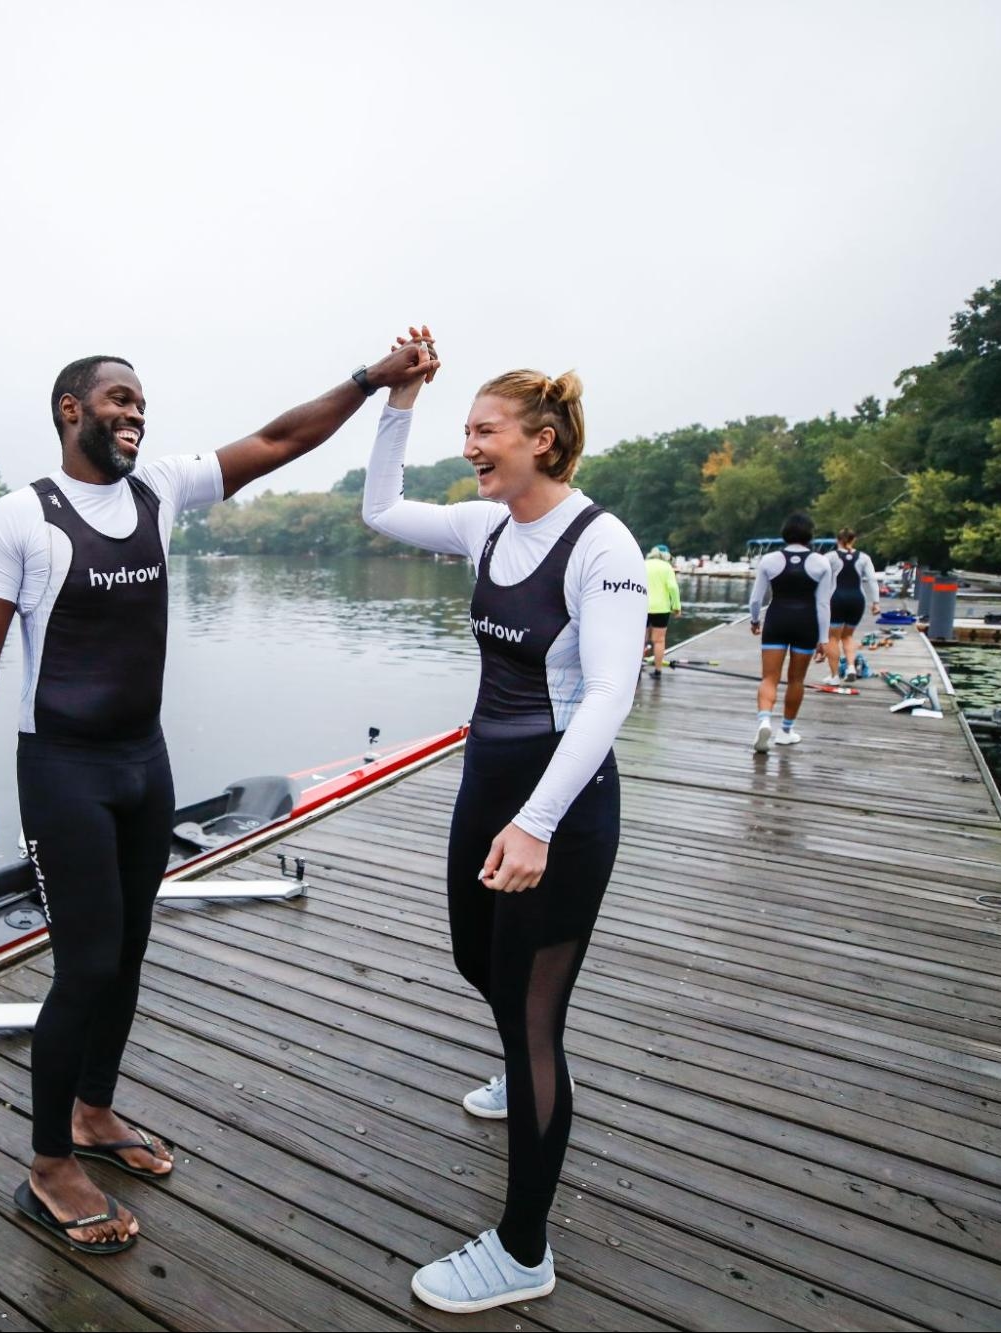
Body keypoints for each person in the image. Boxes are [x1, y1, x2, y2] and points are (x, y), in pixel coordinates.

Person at [0, 341, 436, 1255]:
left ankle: (93, 1113)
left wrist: (371, 382)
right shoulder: (21, 516)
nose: (135, 414)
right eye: (118, 400)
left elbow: (281, 439)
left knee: (127, 953)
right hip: (62, 769)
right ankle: (49, 1162)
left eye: (141, 404)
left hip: (143, 761)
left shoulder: (158, 490)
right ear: (69, 411)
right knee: (84, 965)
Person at [360, 329, 645, 1313]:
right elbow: (381, 506)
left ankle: (523, 1248)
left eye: (484, 432)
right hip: (490, 772)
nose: (469, 446)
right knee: (474, 957)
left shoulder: (600, 544)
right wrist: (398, 400)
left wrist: (534, 824)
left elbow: (611, 693)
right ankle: (522, 1076)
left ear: (543, 441)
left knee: (533, 1020)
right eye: (465, 430)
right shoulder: (484, 528)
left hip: (559, 801)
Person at [748, 513, 834, 751]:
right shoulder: (821, 563)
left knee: (769, 678)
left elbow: (756, 599)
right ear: (810, 535)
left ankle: (764, 720)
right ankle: (786, 731)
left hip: (777, 619)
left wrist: (755, 620)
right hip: (806, 623)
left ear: (785, 533)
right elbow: (823, 604)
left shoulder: (769, 560)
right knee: (796, 680)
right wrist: (824, 639)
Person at [823, 528, 877, 682]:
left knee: (832, 638)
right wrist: (876, 602)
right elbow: (872, 579)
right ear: (854, 540)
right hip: (857, 600)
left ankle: (834, 676)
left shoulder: (830, 557)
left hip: (837, 599)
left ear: (837, 540)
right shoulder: (864, 557)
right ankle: (851, 668)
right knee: (848, 636)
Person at [643, 543, 681, 674]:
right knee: (659, 640)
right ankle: (658, 671)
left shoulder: (643, 564)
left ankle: (636, 672)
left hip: (643, 608)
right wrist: (676, 606)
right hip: (662, 609)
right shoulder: (667, 567)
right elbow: (673, 587)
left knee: (641, 640)